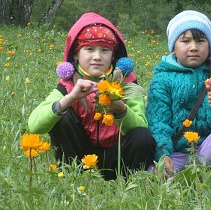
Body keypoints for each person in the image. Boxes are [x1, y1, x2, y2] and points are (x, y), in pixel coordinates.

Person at [28, 12, 155, 180]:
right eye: (89, 49)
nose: (97, 57)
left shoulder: (126, 82)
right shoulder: (68, 85)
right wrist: (71, 98)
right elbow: (34, 126)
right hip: (81, 156)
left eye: (105, 50)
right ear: (76, 54)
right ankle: (73, 176)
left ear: (113, 56)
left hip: (117, 156)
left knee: (142, 136)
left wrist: (121, 110)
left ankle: (127, 180)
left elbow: (141, 127)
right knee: (62, 116)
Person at [146, 10, 211, 188]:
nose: (193, 47)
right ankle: (179, 179)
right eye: (185, 41)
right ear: (173, 47)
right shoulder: (162, 78)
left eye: (200, 41)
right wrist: (163, 154)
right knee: (150, 177)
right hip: (176, 155)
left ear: (209, 46)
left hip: (207, 150)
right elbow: (158, 122)